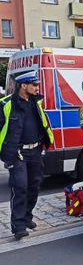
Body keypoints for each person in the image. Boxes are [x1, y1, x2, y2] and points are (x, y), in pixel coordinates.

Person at [0, 71, 54, 240]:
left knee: (34, 185)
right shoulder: (6, 104)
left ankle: (27, 217)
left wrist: (46, 141)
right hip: (17, 153)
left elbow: (43, 122)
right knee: (20, 187)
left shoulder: (36, 102)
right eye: (34, 85)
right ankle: (18, 226)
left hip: (35, 150)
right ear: (23, 86)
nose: (38, 88)